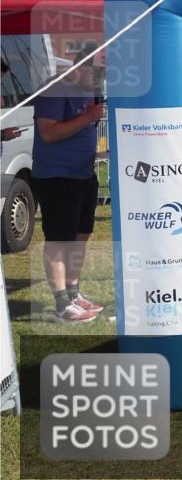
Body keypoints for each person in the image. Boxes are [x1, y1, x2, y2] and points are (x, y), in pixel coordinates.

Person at [33, 45, 105, 323]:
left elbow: (83, 131)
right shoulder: (55, 88)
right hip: (56, 176)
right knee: (59, 239)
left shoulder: (90, 90)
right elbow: (48, 133)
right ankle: (62, 302)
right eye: (98, 71)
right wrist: (88, 116)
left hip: (83, 173)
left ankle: (74, 293)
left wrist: (98, 152)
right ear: (81, 66)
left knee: (81, 235)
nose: (101, 78)